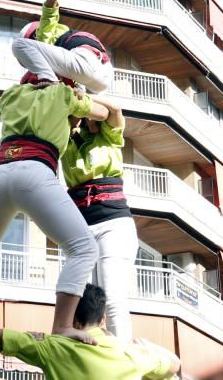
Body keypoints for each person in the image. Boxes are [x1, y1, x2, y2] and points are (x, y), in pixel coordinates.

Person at [0, 80, 109, 344]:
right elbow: (104, 114)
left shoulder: (11, 95)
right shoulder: (63, 93)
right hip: (35, 172)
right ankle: (64, 326)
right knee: (84, 248)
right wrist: (78, 95)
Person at [0, 284, 180, 380]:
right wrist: (148, 346)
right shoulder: (132, 354)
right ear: (102, 318)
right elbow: (174, 365)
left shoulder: (52, 347)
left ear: (70, 315)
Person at [62, 97, 136, 341]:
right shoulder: (64, 141)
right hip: (82, 227)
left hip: (113, 224)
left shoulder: (109, 136)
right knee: (87, 302)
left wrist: (80, 97)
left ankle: (122, 362)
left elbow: (114, 108)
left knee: (112, 298)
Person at [11, 0, 114, 93]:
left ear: (33, 36)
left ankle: (48, 79)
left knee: (18, 45)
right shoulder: (64, 53)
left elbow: (50, 1)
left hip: (86, 64)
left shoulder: (43, 35)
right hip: (104, 78)